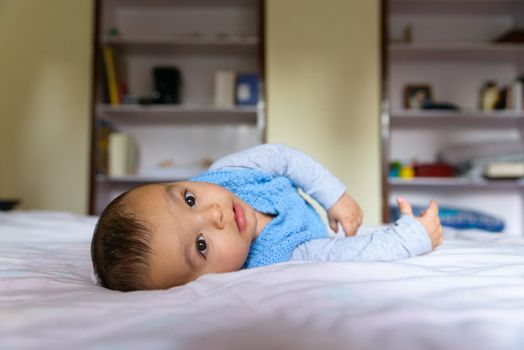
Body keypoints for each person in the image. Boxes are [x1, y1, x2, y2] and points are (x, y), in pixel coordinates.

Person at [91, 144, 443, 292]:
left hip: (309, 202)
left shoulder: (227, 173)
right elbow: (351, 254)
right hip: (314, 232)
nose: (214, 215)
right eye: (201, 245)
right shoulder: (279, 259)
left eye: (189, 198)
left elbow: (284, 158)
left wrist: (334, 196)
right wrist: (411, 236)